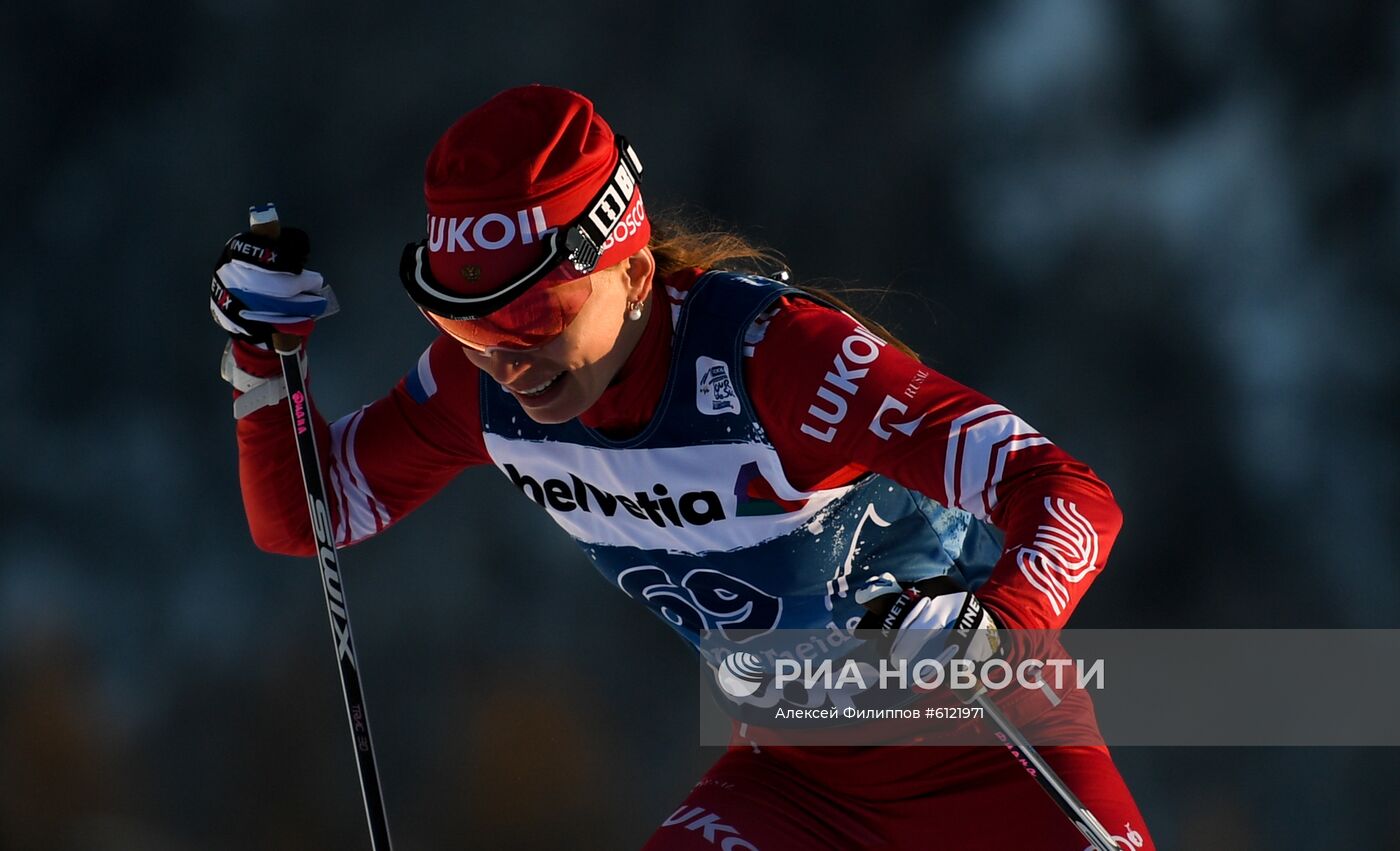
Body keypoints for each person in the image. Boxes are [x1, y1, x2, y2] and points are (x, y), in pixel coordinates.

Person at [210, 84, 1154, 850]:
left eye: (535, 317)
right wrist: (262, 362)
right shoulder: (483, 389)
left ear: (630, 273)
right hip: (794, 784)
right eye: (464, 325)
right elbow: (308, 515)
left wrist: (1000, 625)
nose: (505, 359)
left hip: (993, 763)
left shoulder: (781, 363)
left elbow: (1068, 494)